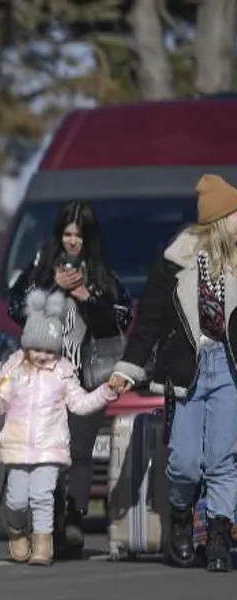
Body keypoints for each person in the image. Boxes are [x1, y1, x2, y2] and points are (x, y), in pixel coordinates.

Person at [110, 174, 237, 573]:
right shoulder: (174, 260)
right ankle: (181, 517)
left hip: (229, 369)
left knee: (223, 459)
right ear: (221, 218)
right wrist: (127, 370)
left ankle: (219, 536)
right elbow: (148, 321)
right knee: (184, 461)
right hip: (187, 371)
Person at [7, 200, 132, 557]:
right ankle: (51, 520)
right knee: (48, 451)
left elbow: (119, 318)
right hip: (43, 376)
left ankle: (75, 516)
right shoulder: (41, 267)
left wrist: (85, 296)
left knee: (78, 450)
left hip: (86, 375)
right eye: (67, 233)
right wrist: (53, 286)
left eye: (79, 235)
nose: (72, 241)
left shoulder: (101, 273)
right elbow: (17, 307)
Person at [0, 290, 119, 566]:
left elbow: (80, 403)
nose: (43, 356)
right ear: (26, 345)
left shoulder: (63, 371)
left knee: (42, 495)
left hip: (50, 447)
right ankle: (18, 530)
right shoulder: (15, 368)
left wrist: (105, 391)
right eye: (36, 349)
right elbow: (0, 406)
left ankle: (43, 543)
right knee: (17, 500)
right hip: (18, 446)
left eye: (49, 350)